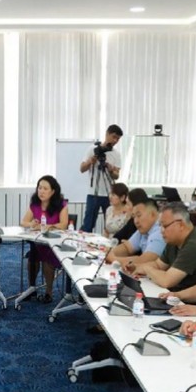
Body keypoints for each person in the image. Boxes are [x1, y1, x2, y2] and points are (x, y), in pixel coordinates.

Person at [134, 202, 196, 302]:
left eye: (165, 226)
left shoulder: (195, 245)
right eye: (160, 226)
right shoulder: (174, 240)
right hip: (180, 297)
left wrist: (146, 269)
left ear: (180, 225)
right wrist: (137, 267)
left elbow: (167, 281)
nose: (161, 231)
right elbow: (158, 265)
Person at [20, 175, 68, 303]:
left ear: (53, 191)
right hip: (37, 242)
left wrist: (50, 226)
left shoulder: (61, 205)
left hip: (53, 244)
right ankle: (31, 288)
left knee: (47, 258)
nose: (41, 191)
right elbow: (23, 222)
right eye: (39, 188)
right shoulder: (35, 204)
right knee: (33, 255)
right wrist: (31, 224)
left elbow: (64, 224)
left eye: (45, 189)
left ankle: (49, 292)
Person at [79, 124, 123, 233]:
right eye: (114, 137)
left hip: (110, 195)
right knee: (88, 225)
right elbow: (82, 169)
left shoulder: (116, 154)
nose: (115, 140)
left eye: (118, 139)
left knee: (110, 226)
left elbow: (116, 176)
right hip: (93, 193)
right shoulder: (92, 149)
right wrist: (91, 161)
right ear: (107, 134)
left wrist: (111, 169)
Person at [106, 199, 165, 272]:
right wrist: (110, 253)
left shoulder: (160, 231)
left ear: (153, 214)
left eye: (139, 215)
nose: (136, 221)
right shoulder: (145, 229)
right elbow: (127, 248)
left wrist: (113, 259)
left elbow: (145, 260)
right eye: (134, 217)